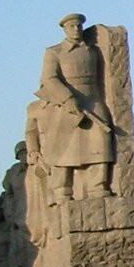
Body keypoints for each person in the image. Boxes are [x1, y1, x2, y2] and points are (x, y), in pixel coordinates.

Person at [31, 13, 115, 202]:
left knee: (100, 142)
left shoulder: (92, 50)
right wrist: (67, 98)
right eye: (72, 26)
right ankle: (62, 189)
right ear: (65, 29)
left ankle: (98, 186)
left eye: (78, 26)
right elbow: (49, 78)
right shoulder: (54, 52)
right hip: (67, 103)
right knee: (62, 149)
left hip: (93, 99)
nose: (76, 29)